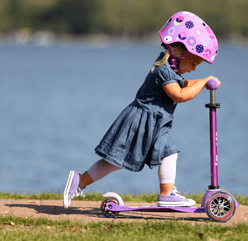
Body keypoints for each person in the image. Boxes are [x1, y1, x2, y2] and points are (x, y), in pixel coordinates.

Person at [63, 11, 220, 209]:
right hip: (142, 124)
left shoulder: (169, 70)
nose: (195, 69)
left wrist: (202, 83)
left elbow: (185, 84)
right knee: (151, 155)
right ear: (179, 53)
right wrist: (205, 81)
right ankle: (166, 193)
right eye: (194, 63)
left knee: (127, 159)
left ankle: (80, 181)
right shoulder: (164, 71)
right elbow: (180, 95)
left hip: (152, 124)